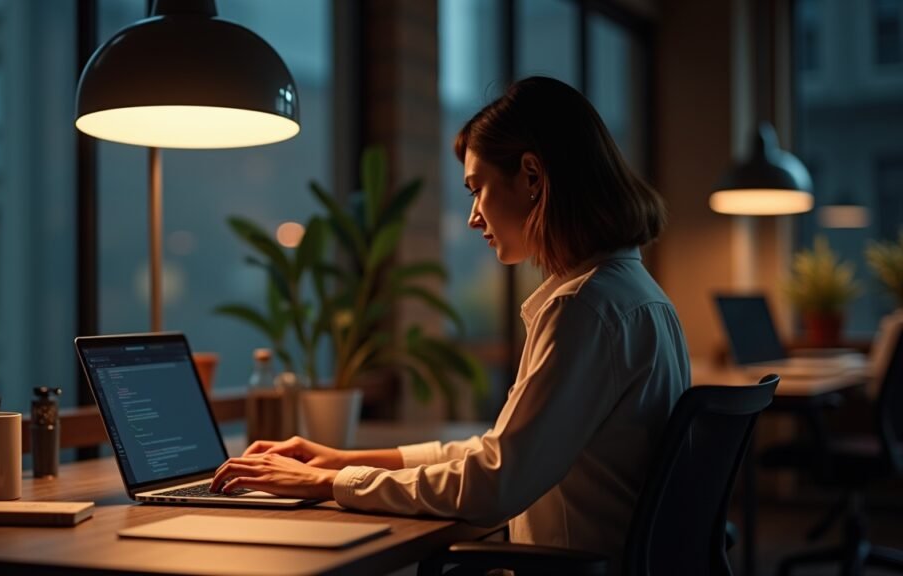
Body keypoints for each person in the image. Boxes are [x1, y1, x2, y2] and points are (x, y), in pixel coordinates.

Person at [211, 76, 691, 559]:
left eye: (476, 189)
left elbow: (494, 484)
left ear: (531, 176)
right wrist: (343, 460)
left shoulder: (584, 310)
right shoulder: (639, 296)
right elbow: (499, 453)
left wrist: (331, 482)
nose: (473, 217)